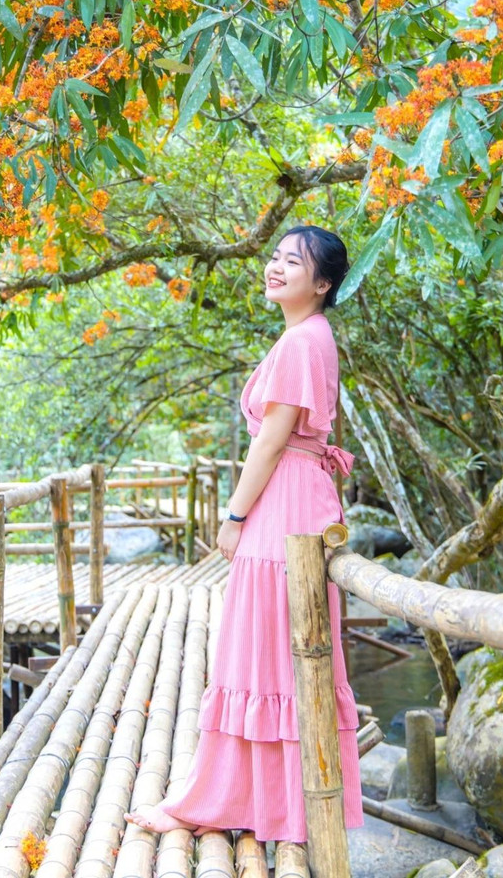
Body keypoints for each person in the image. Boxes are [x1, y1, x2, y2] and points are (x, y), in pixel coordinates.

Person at [125, 224, 363, 842]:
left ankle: (220, 803)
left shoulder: (302, 340)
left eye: (294, 262)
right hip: (297, 500)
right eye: (275, 257)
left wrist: (234, 517)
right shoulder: (307, 336)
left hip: (285, 505)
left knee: (260, 657)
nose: (276, 267)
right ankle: (267, 805)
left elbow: (271, 440)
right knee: (275, 660)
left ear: (323, 283)